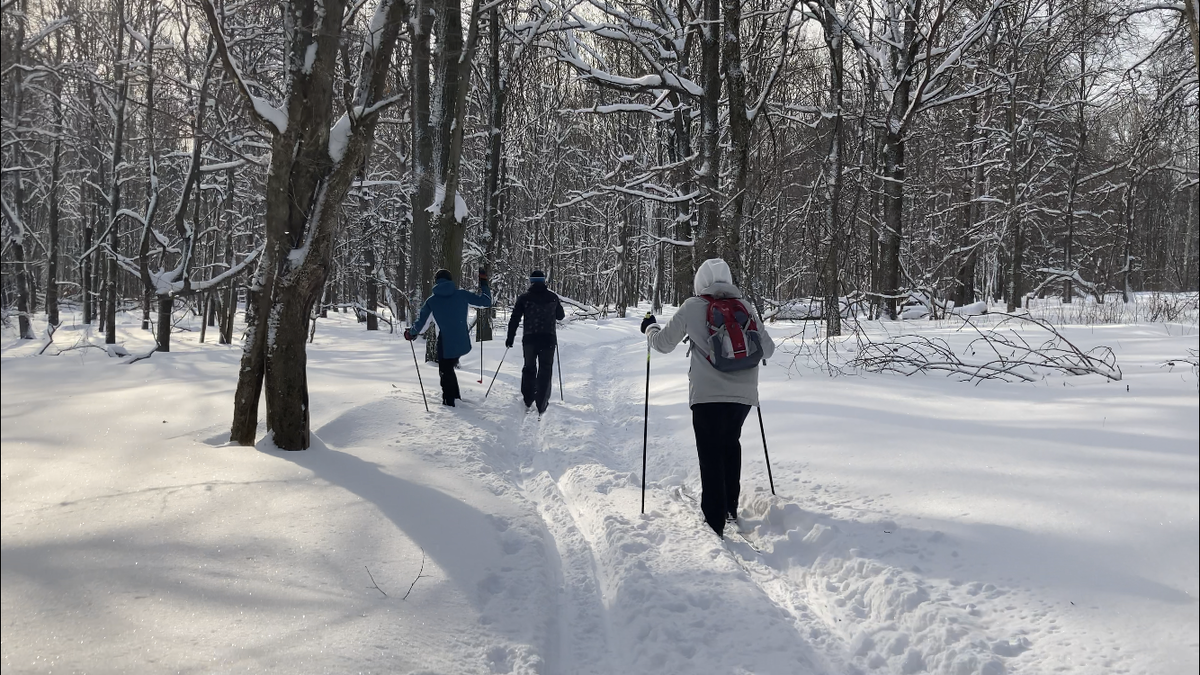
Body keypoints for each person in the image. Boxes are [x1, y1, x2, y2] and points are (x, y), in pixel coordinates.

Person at [641, 258, 775, 537]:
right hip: (743, 396)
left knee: (710, 452)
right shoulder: (745, 307)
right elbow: (769, 349)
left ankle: (714, 519)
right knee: (730, 444)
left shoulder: (693, 307)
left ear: (700, 282)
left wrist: (650, 329)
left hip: (706, 395)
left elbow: (663, 344)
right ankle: (728, 510)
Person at [405, 268, 492, 406]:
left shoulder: (431, 301)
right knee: (449, 369)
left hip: (445, 342)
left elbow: (422, 326)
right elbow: (486, 302)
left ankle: (450, 403)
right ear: (451, 280)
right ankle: (455, 398)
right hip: (462, 341)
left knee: (445, 371)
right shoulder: (462, 295)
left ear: (436, 282)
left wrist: (411, 333)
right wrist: (484, 283)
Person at [506, 269, 566, 414]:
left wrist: (510, 337)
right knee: (545, 369)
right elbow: (560, 316)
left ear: (531, 281)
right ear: (544, 281)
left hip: (530, 339)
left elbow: (515, 318)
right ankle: (542, 401)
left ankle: (528, 398)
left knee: (529, 367)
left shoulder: (524, 298)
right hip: (548, 339)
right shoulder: (552, 297)